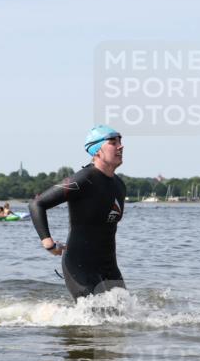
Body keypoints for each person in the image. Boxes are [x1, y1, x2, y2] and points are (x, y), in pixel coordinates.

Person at [29, 125, 127, 300]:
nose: (120, 146)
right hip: (79, 264)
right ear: (96, 151)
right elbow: (37, 204)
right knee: (94, 320)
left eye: (120, 141)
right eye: (113, 142)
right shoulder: (84, 179)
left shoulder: (119, 185)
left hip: (109, 266)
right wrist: (48, 242)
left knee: (124, 317)